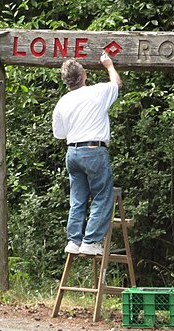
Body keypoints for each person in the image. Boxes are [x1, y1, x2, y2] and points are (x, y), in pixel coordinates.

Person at [52, 52, 122, 255]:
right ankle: (91, 241)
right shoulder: (96, 92)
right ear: (83, 76)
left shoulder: (62, 102)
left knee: (77, 198)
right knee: (102, 195)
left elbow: (59, 134)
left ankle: (74, 240)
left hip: (72, 152)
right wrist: (109, 66)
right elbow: (116, 84)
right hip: (93, 150)